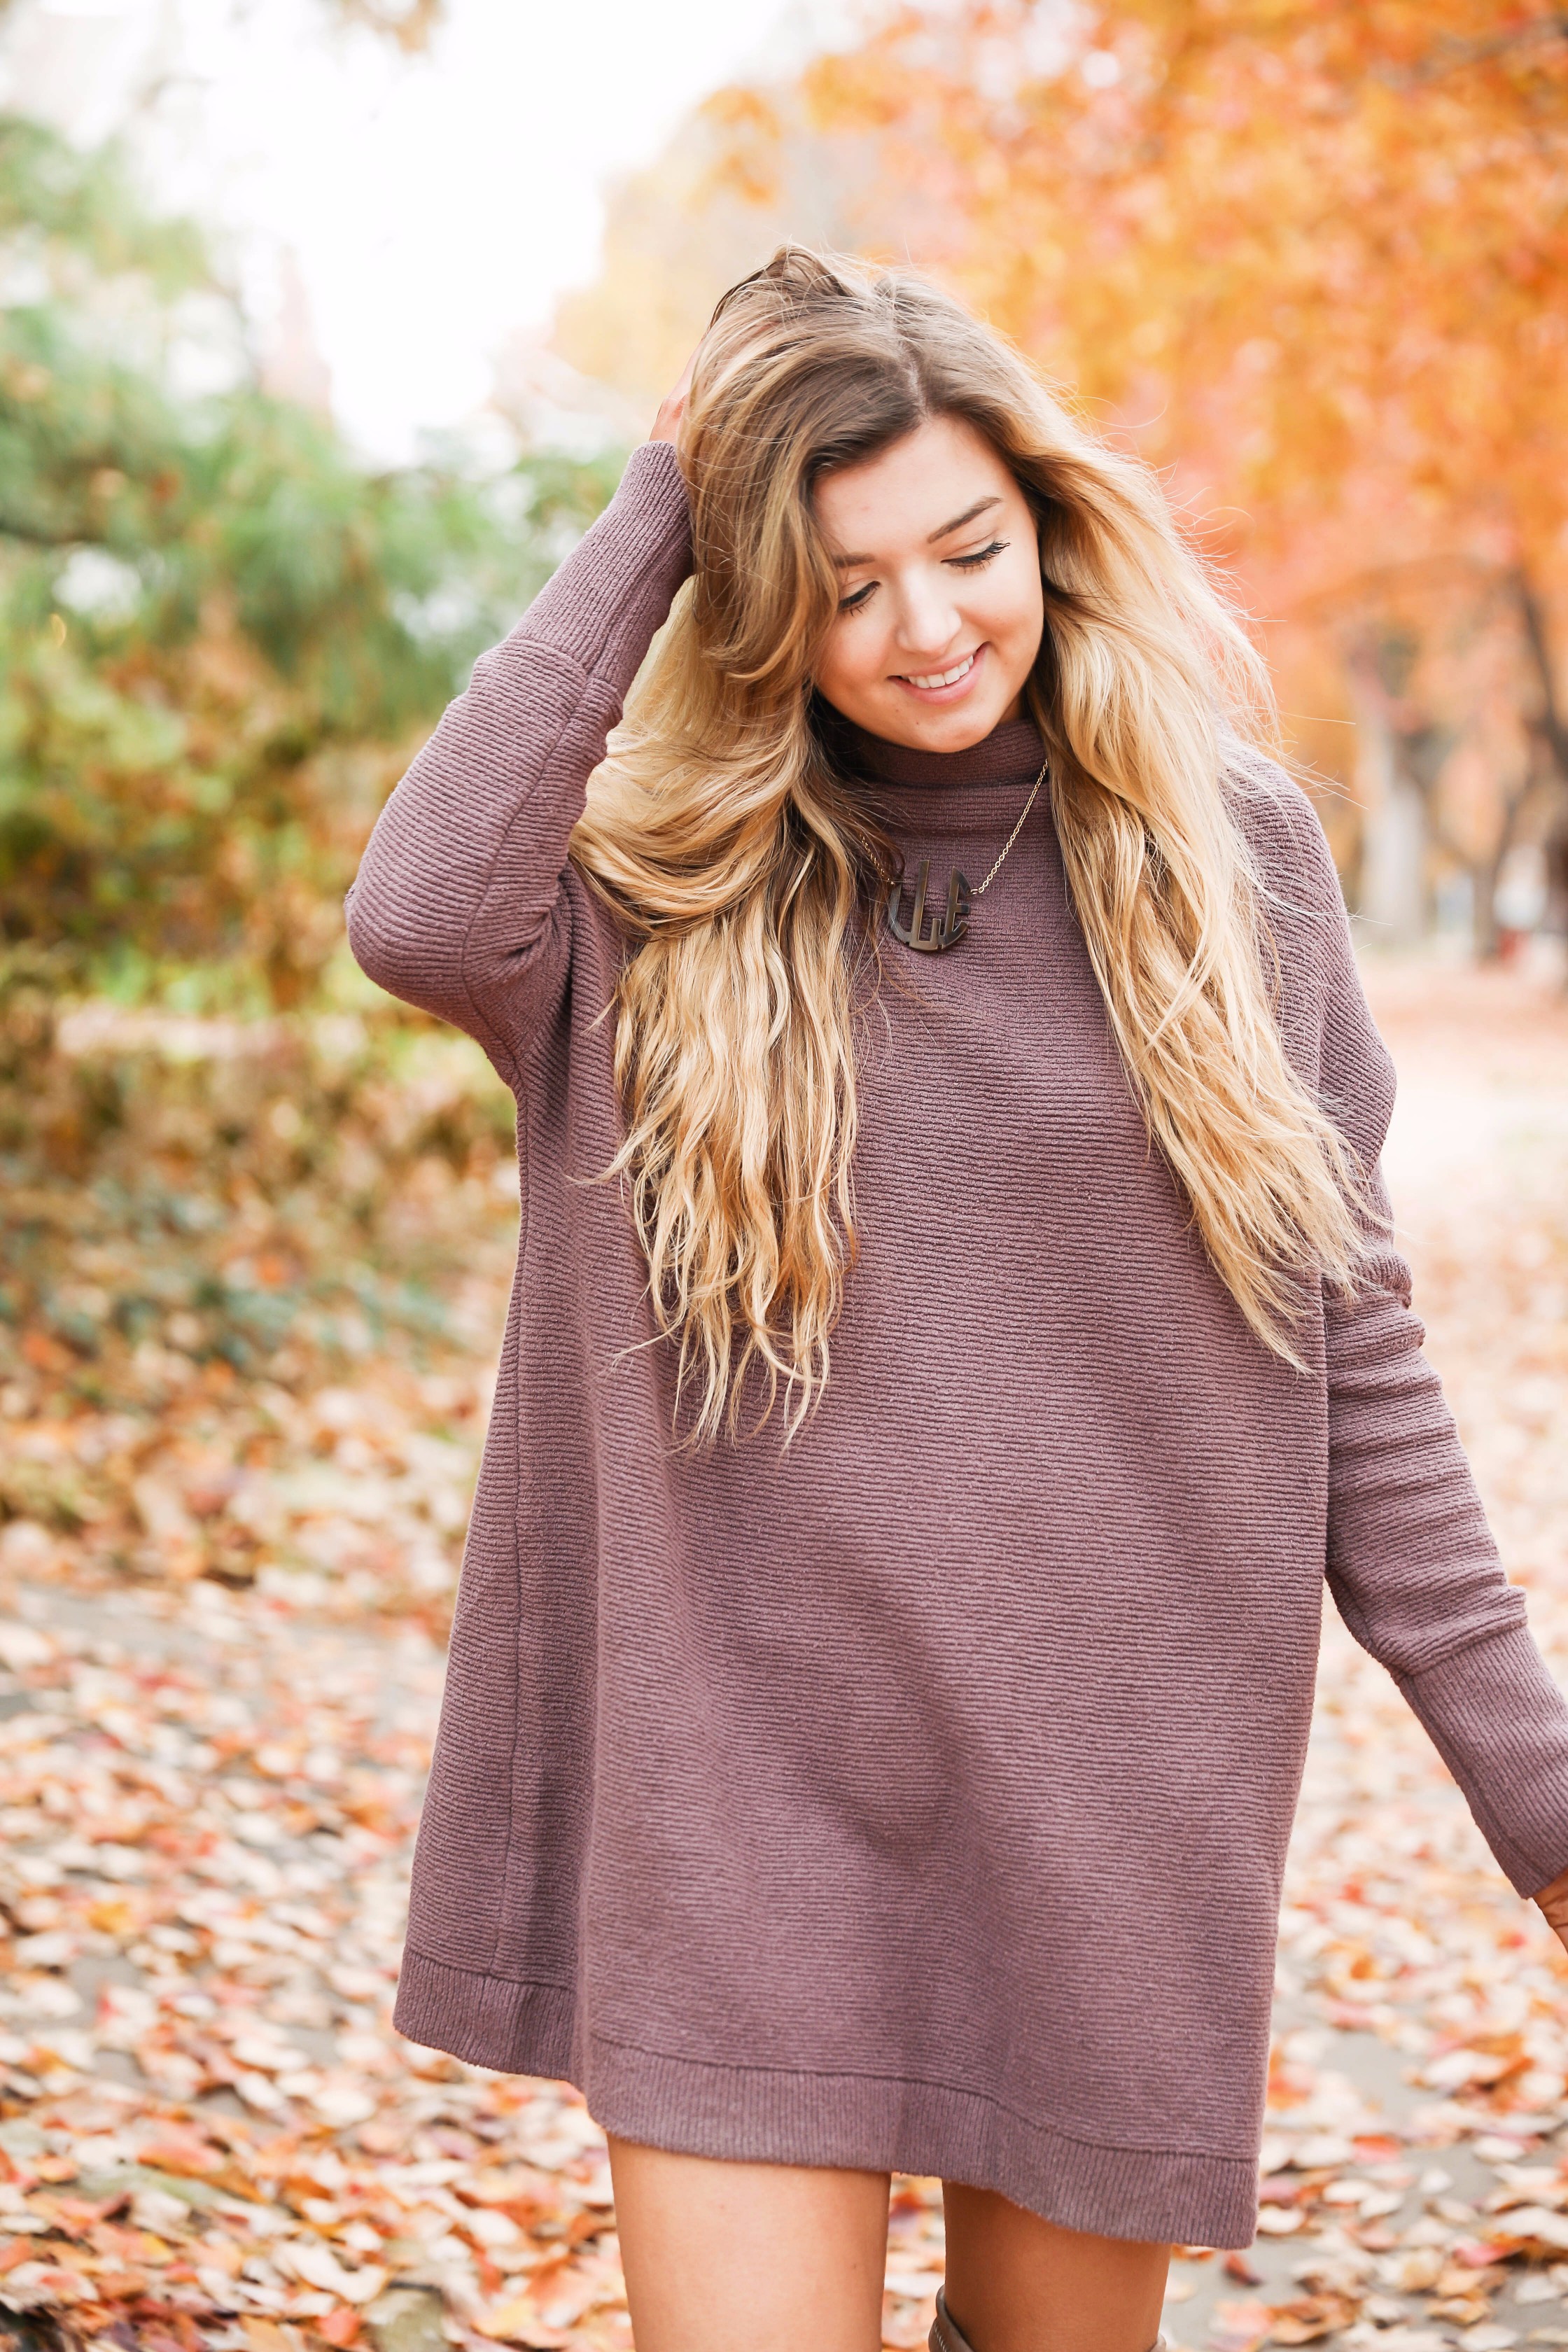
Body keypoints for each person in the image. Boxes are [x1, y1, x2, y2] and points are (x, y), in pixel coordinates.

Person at [346, 248, 1568, 2352]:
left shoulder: (1227, 860)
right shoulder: (655, 898)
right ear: (755, 603)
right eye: (840, 583)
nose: (927, 628)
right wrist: (665, 486)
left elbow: (1352, 1359)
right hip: (730, 1801)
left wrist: (1537, 1793)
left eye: (969, 549)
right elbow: (415, 906)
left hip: (1107, 1786)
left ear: (1049, 524)